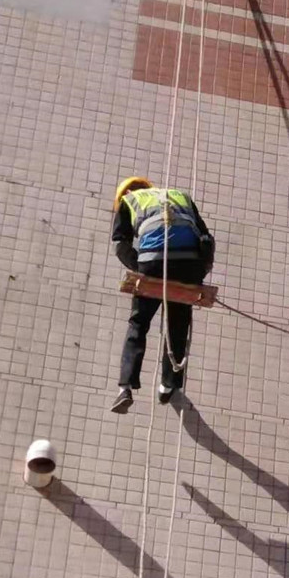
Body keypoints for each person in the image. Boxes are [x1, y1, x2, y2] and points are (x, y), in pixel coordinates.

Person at [110, 176, 215, 414]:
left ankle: (125, 387)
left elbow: (119, 243)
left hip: (152, 261)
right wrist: (201, 270)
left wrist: (141, 269)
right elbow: (206, 238)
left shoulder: (129, 201)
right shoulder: (181, 196)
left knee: (138, 323)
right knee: (177, 326)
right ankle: (168, 385)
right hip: (189, 264)